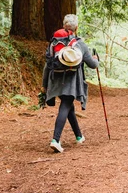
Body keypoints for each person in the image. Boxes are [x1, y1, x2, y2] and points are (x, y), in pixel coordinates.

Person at [42, 14, 99, 153]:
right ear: (76, 27)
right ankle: (55, 140)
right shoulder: (80, 44)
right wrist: (96, 59)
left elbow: (47, 64)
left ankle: (79, 136)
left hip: (55, 79)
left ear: (64, 26)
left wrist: (44, 85)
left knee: (68, 107)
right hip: (72, 82)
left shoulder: (54, 42)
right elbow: (92, 64)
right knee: (66, 105)